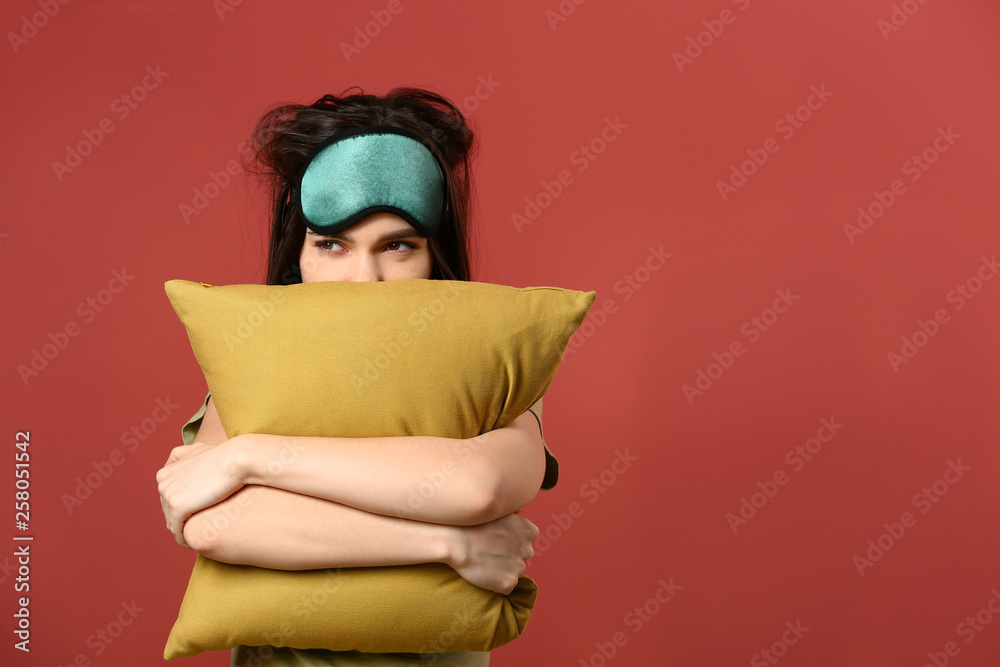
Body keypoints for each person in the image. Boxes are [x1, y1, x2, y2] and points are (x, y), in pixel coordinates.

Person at [155, 87, 561, 667]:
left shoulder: (490, 367)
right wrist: (447, 543)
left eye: (396, 245)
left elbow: (479, 487)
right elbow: (222, 526)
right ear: (298, 257)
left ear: (433, 256)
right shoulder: (256, 373)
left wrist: (249, 457)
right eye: (332, 245)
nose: (364, 280)